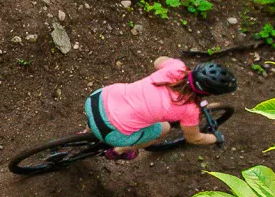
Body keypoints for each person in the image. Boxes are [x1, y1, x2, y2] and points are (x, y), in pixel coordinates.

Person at [86, 57, 235, 160]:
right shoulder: (190, 110)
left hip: (96, 99)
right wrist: (215, 138)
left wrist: (176, 64)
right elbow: (194, 138)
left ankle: (87, 130)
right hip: (110, 132)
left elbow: (158, 61)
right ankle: (120, 150)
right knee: (163, 128)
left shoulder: (176, 68)